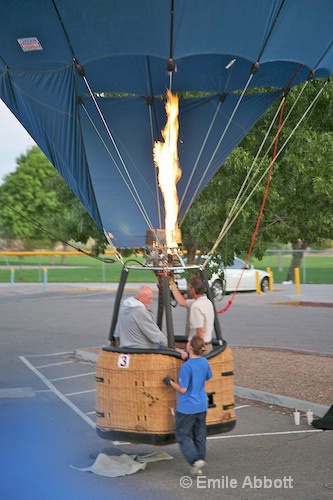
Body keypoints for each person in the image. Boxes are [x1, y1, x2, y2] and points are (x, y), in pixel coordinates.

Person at [163, 335, 212, 476]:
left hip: (187, 407)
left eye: (188, 343)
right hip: (202, 404)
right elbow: (208, 377)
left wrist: (169, 382)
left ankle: (195, 460)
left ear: (190, 347)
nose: (187, 344)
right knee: (199, 436)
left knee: (182, 434)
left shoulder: (186, 367)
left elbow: (183, 389)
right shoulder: (204, 362)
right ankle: (200, 461)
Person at [170, 275, 215, 353]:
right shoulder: (207, 302)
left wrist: (196, 350)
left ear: (193, 290)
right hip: (207, 345)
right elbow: (182, 302)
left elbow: (200, 330)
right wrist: (172, 283)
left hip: (199, 348)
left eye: (190, 288)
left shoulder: (196, 306)